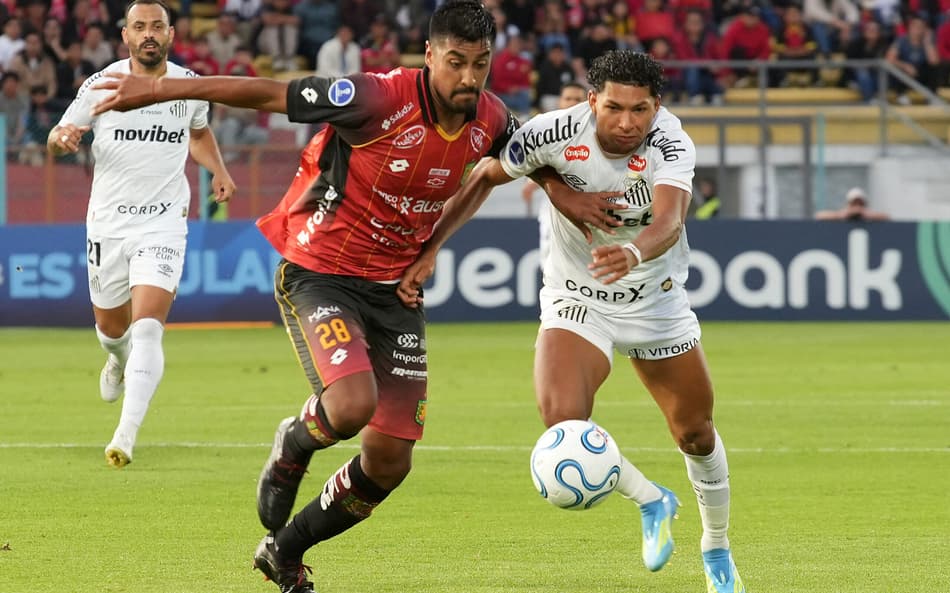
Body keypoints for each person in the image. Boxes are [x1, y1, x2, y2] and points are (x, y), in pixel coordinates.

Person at [88, 1, 620, 591]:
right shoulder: (376, 98)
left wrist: (526, 207)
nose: (468, 78)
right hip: (321, 272)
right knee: (349, 407)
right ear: (428, 56)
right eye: (455, 63)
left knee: (391, 461)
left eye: (480, 64)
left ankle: (283, 552)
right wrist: (155, 90)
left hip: (396, 293)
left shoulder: (488, 116)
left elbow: (517, 158)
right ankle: (294, 441)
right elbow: (270, 92)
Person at [397, 50, 746, 593]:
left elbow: (671, 221)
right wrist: (431, 249)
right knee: (563, 423)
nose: (627, 122)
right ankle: (652, 500)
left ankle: (716, 546)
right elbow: (486, 174)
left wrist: (631, 253)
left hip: (655, 301)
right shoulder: (553, 131)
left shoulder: (671, 141)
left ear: (657, 107)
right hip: (578, 297)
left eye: (640, 110)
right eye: (614, 108)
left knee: (696, 433)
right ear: (591, 102)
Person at [46, 0, 235, 469]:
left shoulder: (190, 86)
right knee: (113, 331)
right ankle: (115, 359)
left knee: (149, 328)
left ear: (170, 34)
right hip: (108, 225)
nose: (148, 33)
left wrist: (220, 172)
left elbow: (198, 133)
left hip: (164, 222)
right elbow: (60, 133)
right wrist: (63, 139)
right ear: (125, 36)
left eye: (157, 26)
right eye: (139, 27)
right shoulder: (102, 84)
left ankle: (124, 437)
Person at [521, 81, 587, 263]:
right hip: (553, 206)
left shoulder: (597, 132)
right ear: (560, 101)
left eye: (577, 99)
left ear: (588, 102)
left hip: (589, 205)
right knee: (550, 263)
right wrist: (531, 184)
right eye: (568, 98)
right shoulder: (547, 130)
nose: (572, 103)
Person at [815, 186, 890, 221]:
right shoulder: (841, 215)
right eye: (854, 203)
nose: (857, 207)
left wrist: (865, 214)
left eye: (860, 204)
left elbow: (886, 217)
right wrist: (840, 215)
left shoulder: (868, 216)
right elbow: (819, 215)